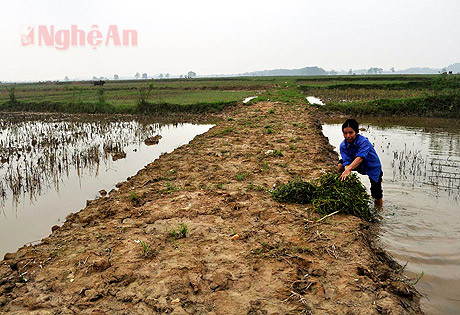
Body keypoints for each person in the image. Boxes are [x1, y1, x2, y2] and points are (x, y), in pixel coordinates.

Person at [337, 119, 383, 207]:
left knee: (376, 193)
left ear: (356, 132)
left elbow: (360, 158)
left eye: (351, 132)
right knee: (340, 165)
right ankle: (339, 182)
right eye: (345, 133)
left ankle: (379, 212)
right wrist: (347, 171)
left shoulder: (364, 142)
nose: (348, 136)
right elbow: (346, 161)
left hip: (371, 167)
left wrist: (349, 169)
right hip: (355, 164)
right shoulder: (343, 145)